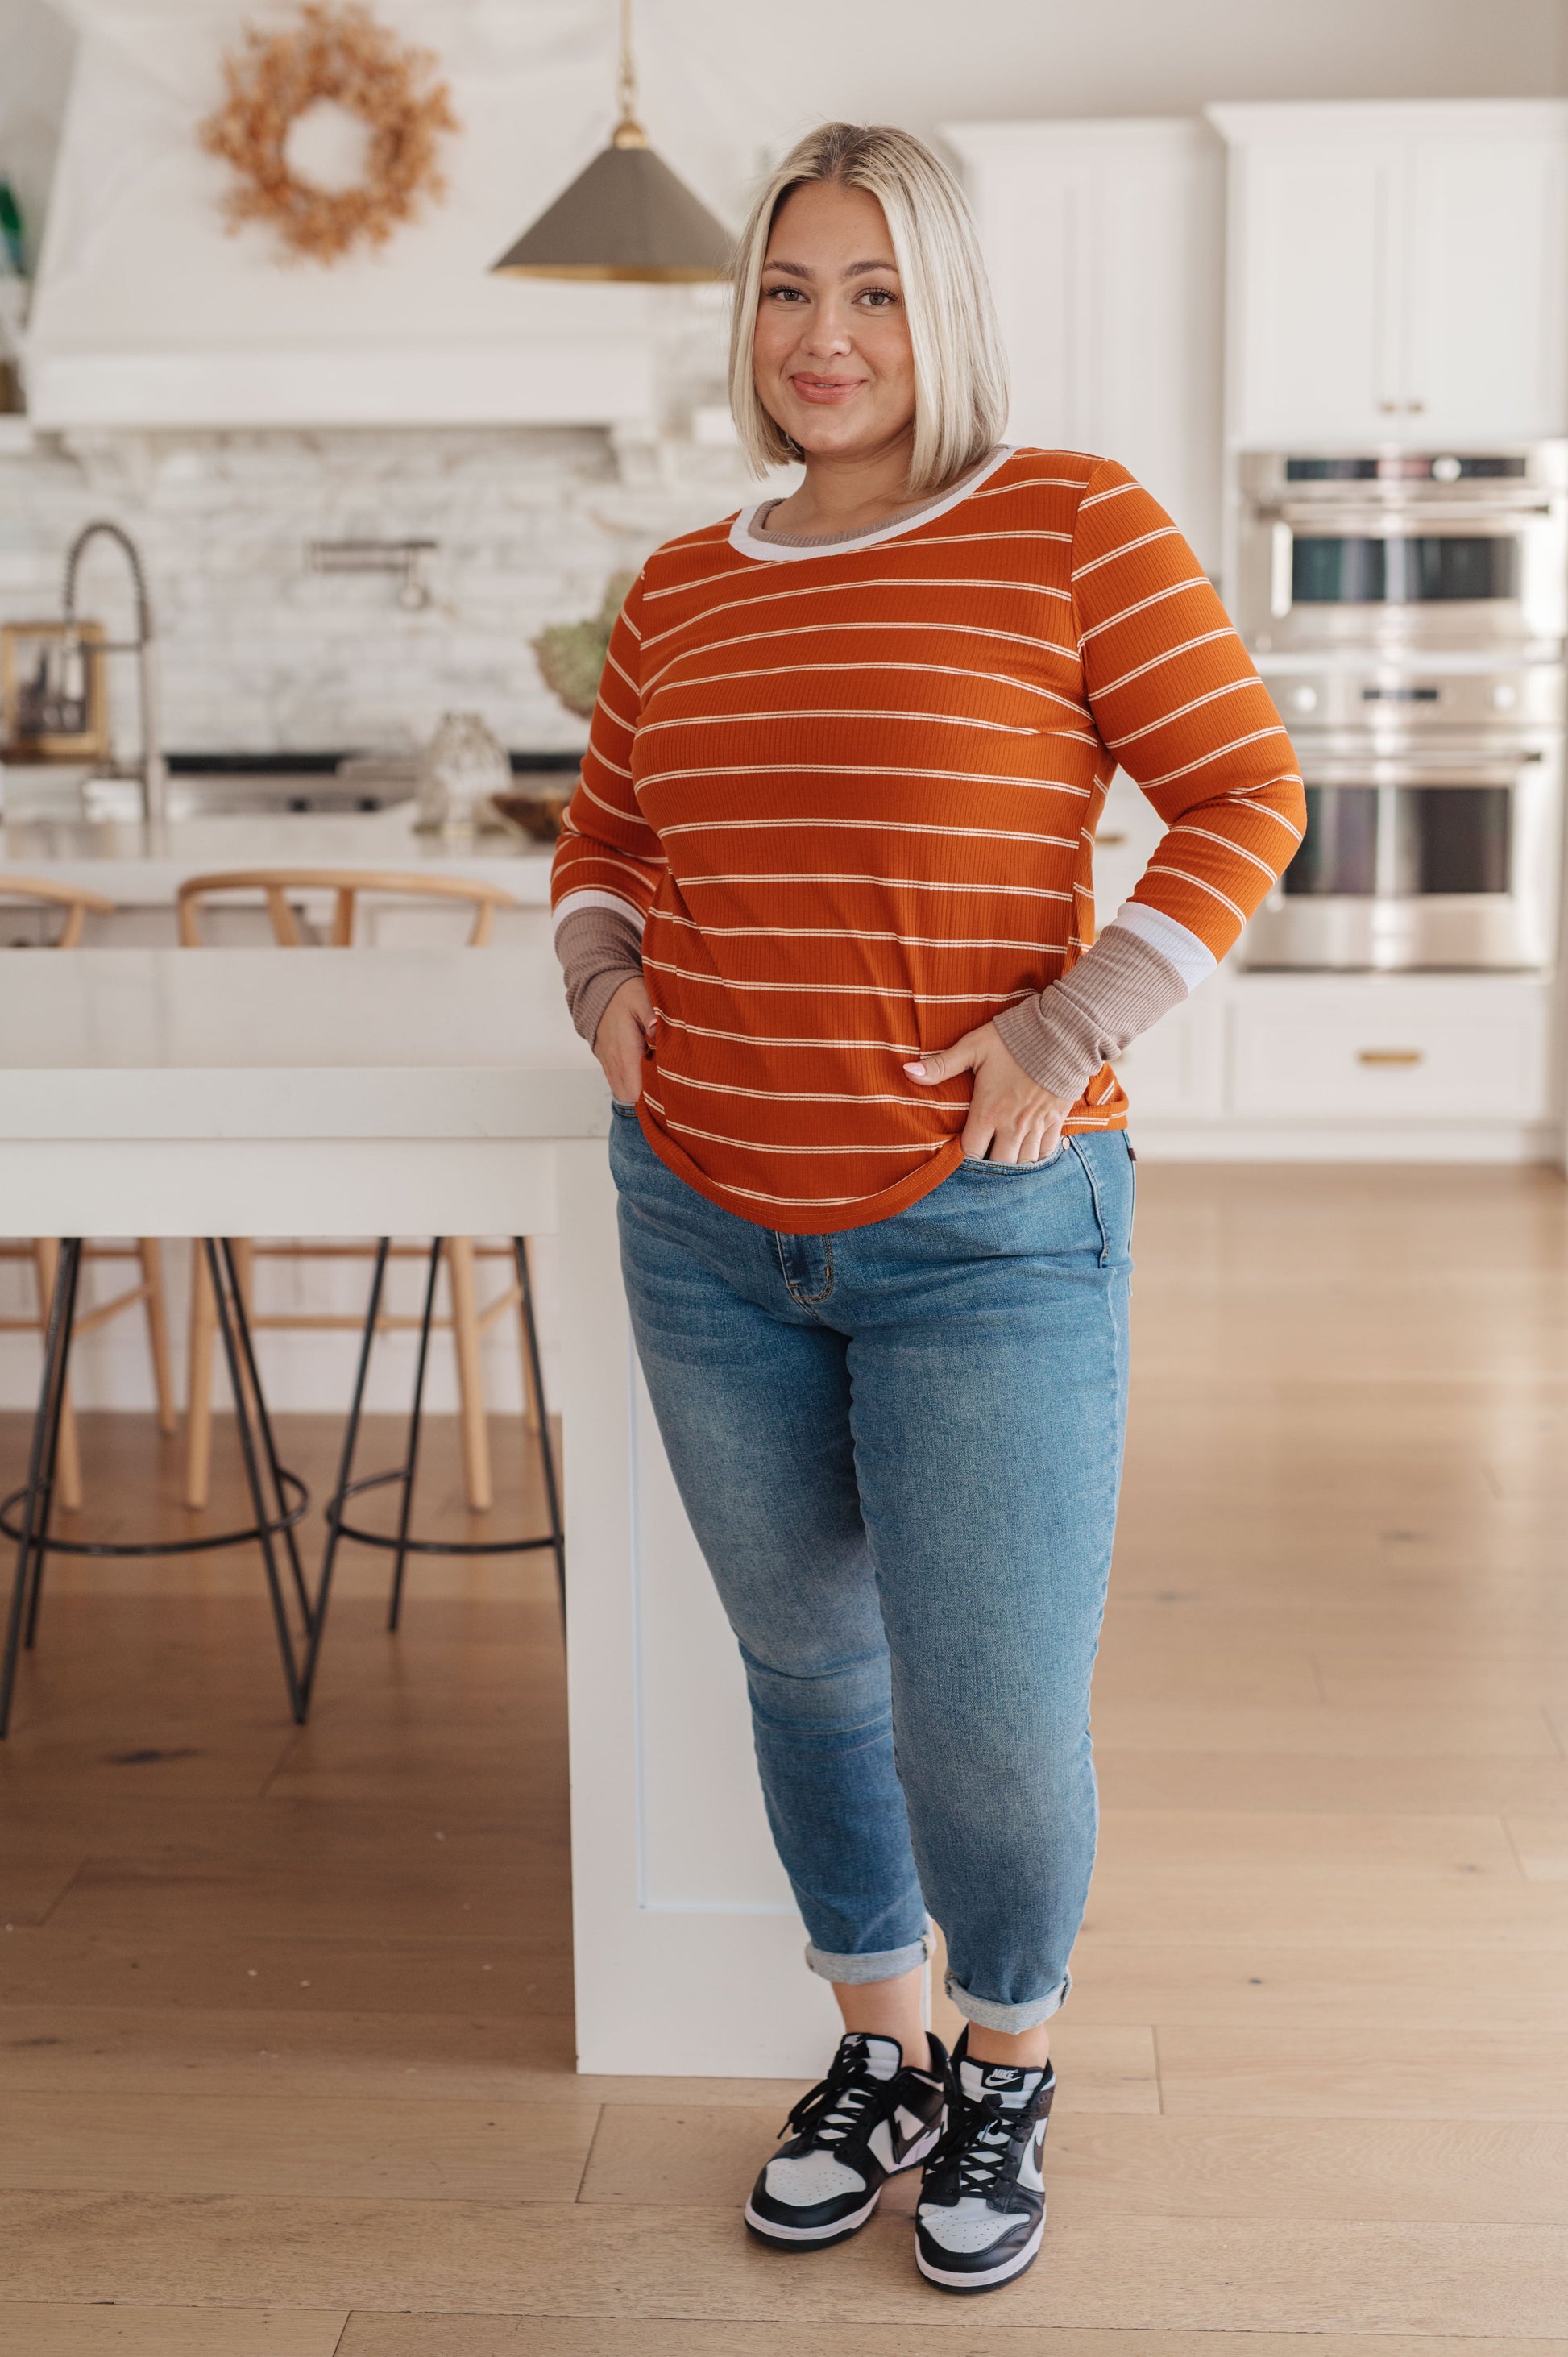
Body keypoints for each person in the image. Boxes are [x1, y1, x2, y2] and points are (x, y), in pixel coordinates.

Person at [550, 120, 1303, 2294]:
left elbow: (1245, 787)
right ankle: (874, 2043)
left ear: (944, 309)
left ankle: (1004, 2057)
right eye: (789, 287)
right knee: (803, 1668)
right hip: (699, 1218)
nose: (823, 335)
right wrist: (602, 974)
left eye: (874, 289)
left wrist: (1073, 1024)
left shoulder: (1065, 524)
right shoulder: (683, 583)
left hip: (984, 1234)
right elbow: (601, 832)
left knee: (982, 1701)